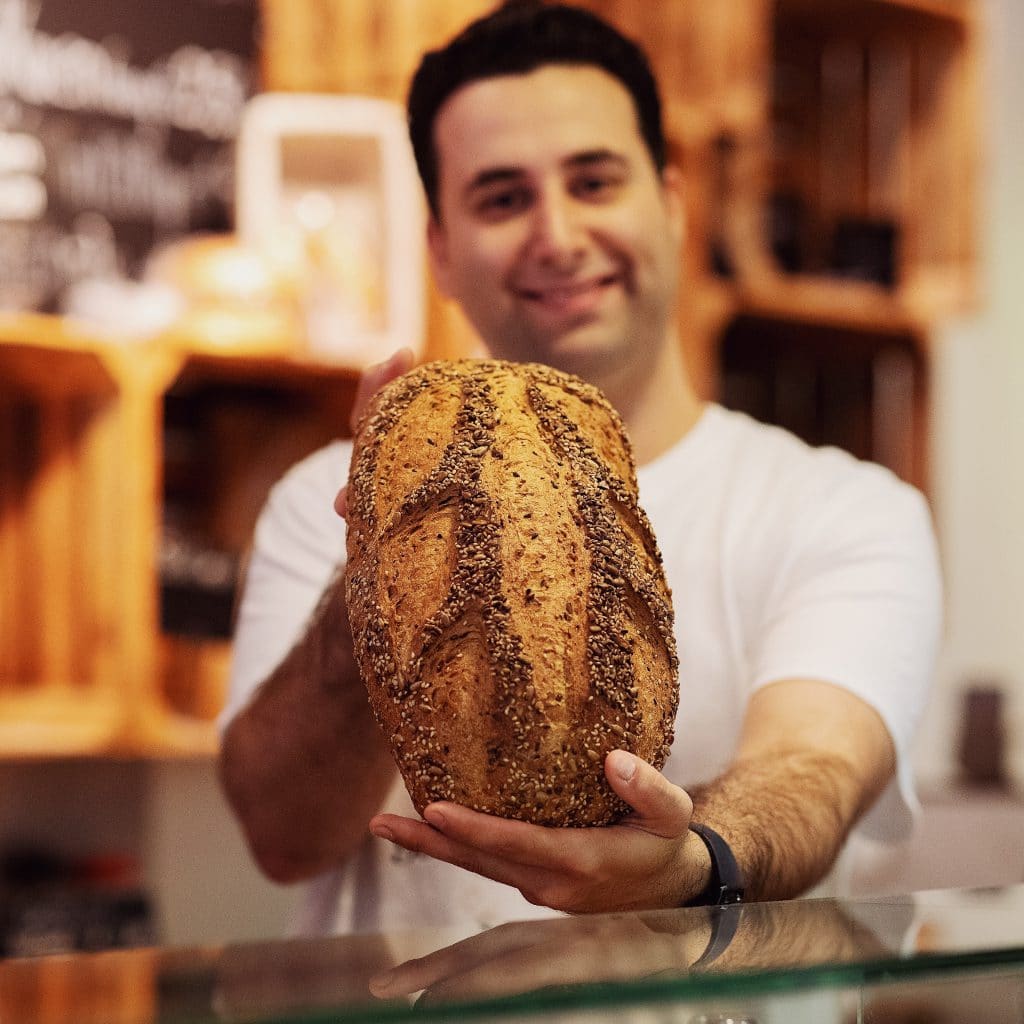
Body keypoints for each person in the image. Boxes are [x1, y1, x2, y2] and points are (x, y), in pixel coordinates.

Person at [219, 0, 942, 936]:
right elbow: (282, 838)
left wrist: (697, 861)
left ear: (674, 204)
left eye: (594, 181)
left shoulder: (842, 509)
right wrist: (374, 560)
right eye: (502, 197)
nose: (557, 234)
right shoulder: (320, 499)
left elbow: (815, 772)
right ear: (440, 248)